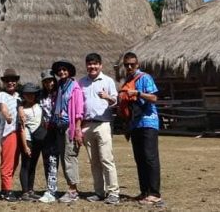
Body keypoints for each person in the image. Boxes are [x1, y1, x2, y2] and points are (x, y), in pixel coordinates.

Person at [118, 52, 162, 206]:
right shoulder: (127, 81)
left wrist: (138, 93)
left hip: (148, 122)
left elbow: (154, 98)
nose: (129, 67)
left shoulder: (145, 78)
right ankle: (144, 192)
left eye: (132, 64)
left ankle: (155, 193)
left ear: (137, 64)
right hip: (135, 124)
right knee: (140, 159)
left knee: (150, 158)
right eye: (127, 64)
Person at [78, 53, 120, 205]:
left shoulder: (108, 81)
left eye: (95, 64)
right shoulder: (81, 82)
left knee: (106, 159)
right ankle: (99, 192)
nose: (92, 67)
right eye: (89, 64)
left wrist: (107, 97)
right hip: (87, 125)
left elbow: (116, 101)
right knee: (94, 161)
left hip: (103, 124)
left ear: (100, 65)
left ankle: (113, 192)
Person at [51, 60, 84, 204]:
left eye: (64, 70)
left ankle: (73, 190)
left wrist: (77, 129)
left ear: (69, 71)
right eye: (59, 70)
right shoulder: (60, 87)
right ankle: (70, 187)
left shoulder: (75, 88)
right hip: (59, 126)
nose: (62, 72)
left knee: (70, 157)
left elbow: (78, 111)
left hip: (69, 127)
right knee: (64, 158)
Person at [17, 82, 45, 201]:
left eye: (32, 94)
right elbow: (22, 129)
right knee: (25, 165)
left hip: (38, 139)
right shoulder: (22, 109)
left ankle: (31, 190)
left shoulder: (39, 105)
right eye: (27, 94)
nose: (30, 96)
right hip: (28, 139)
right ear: (23, 95)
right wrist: (25, 146)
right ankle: (24, 192)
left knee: (33, 165)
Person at [0, 68, 20, 201]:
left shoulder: (18, 96)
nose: (11, 83)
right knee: (7, 163)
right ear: (4, 83)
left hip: (19, 132)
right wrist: (7, 116)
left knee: (15, 162)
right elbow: (2, 107)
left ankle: (5, 189)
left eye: (13, 80)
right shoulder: (2, 95)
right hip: (8, 132)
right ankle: (7, 190)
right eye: (8, 81)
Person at [38, 69, 59, 203]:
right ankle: (51, 189)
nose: (49, 83)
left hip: (58, 130)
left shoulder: (59, 93)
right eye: (46, 81)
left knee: (56, 160)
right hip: (45, 131)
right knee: (48, 160)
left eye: (51, 80)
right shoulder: (41, 95)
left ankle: (54, 190)